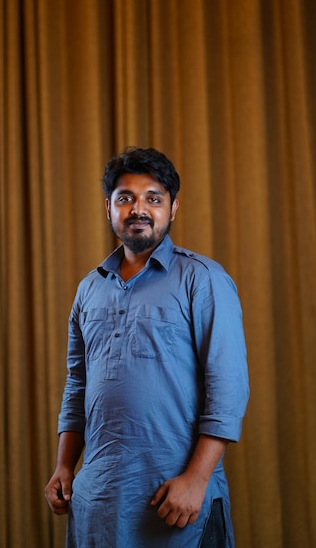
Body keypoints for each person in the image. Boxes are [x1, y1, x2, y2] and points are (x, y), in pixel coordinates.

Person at [44, 147, 249, 547]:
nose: (139, 209)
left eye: (154, 198)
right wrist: (64, 466)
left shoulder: (203, 279)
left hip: (176, 497)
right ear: (109, 208)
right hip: (98, 500)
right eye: (126, 198)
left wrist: (196, 480)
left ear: (172, 209)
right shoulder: (89, 289)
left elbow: (229, 389)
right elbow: (77, 387)